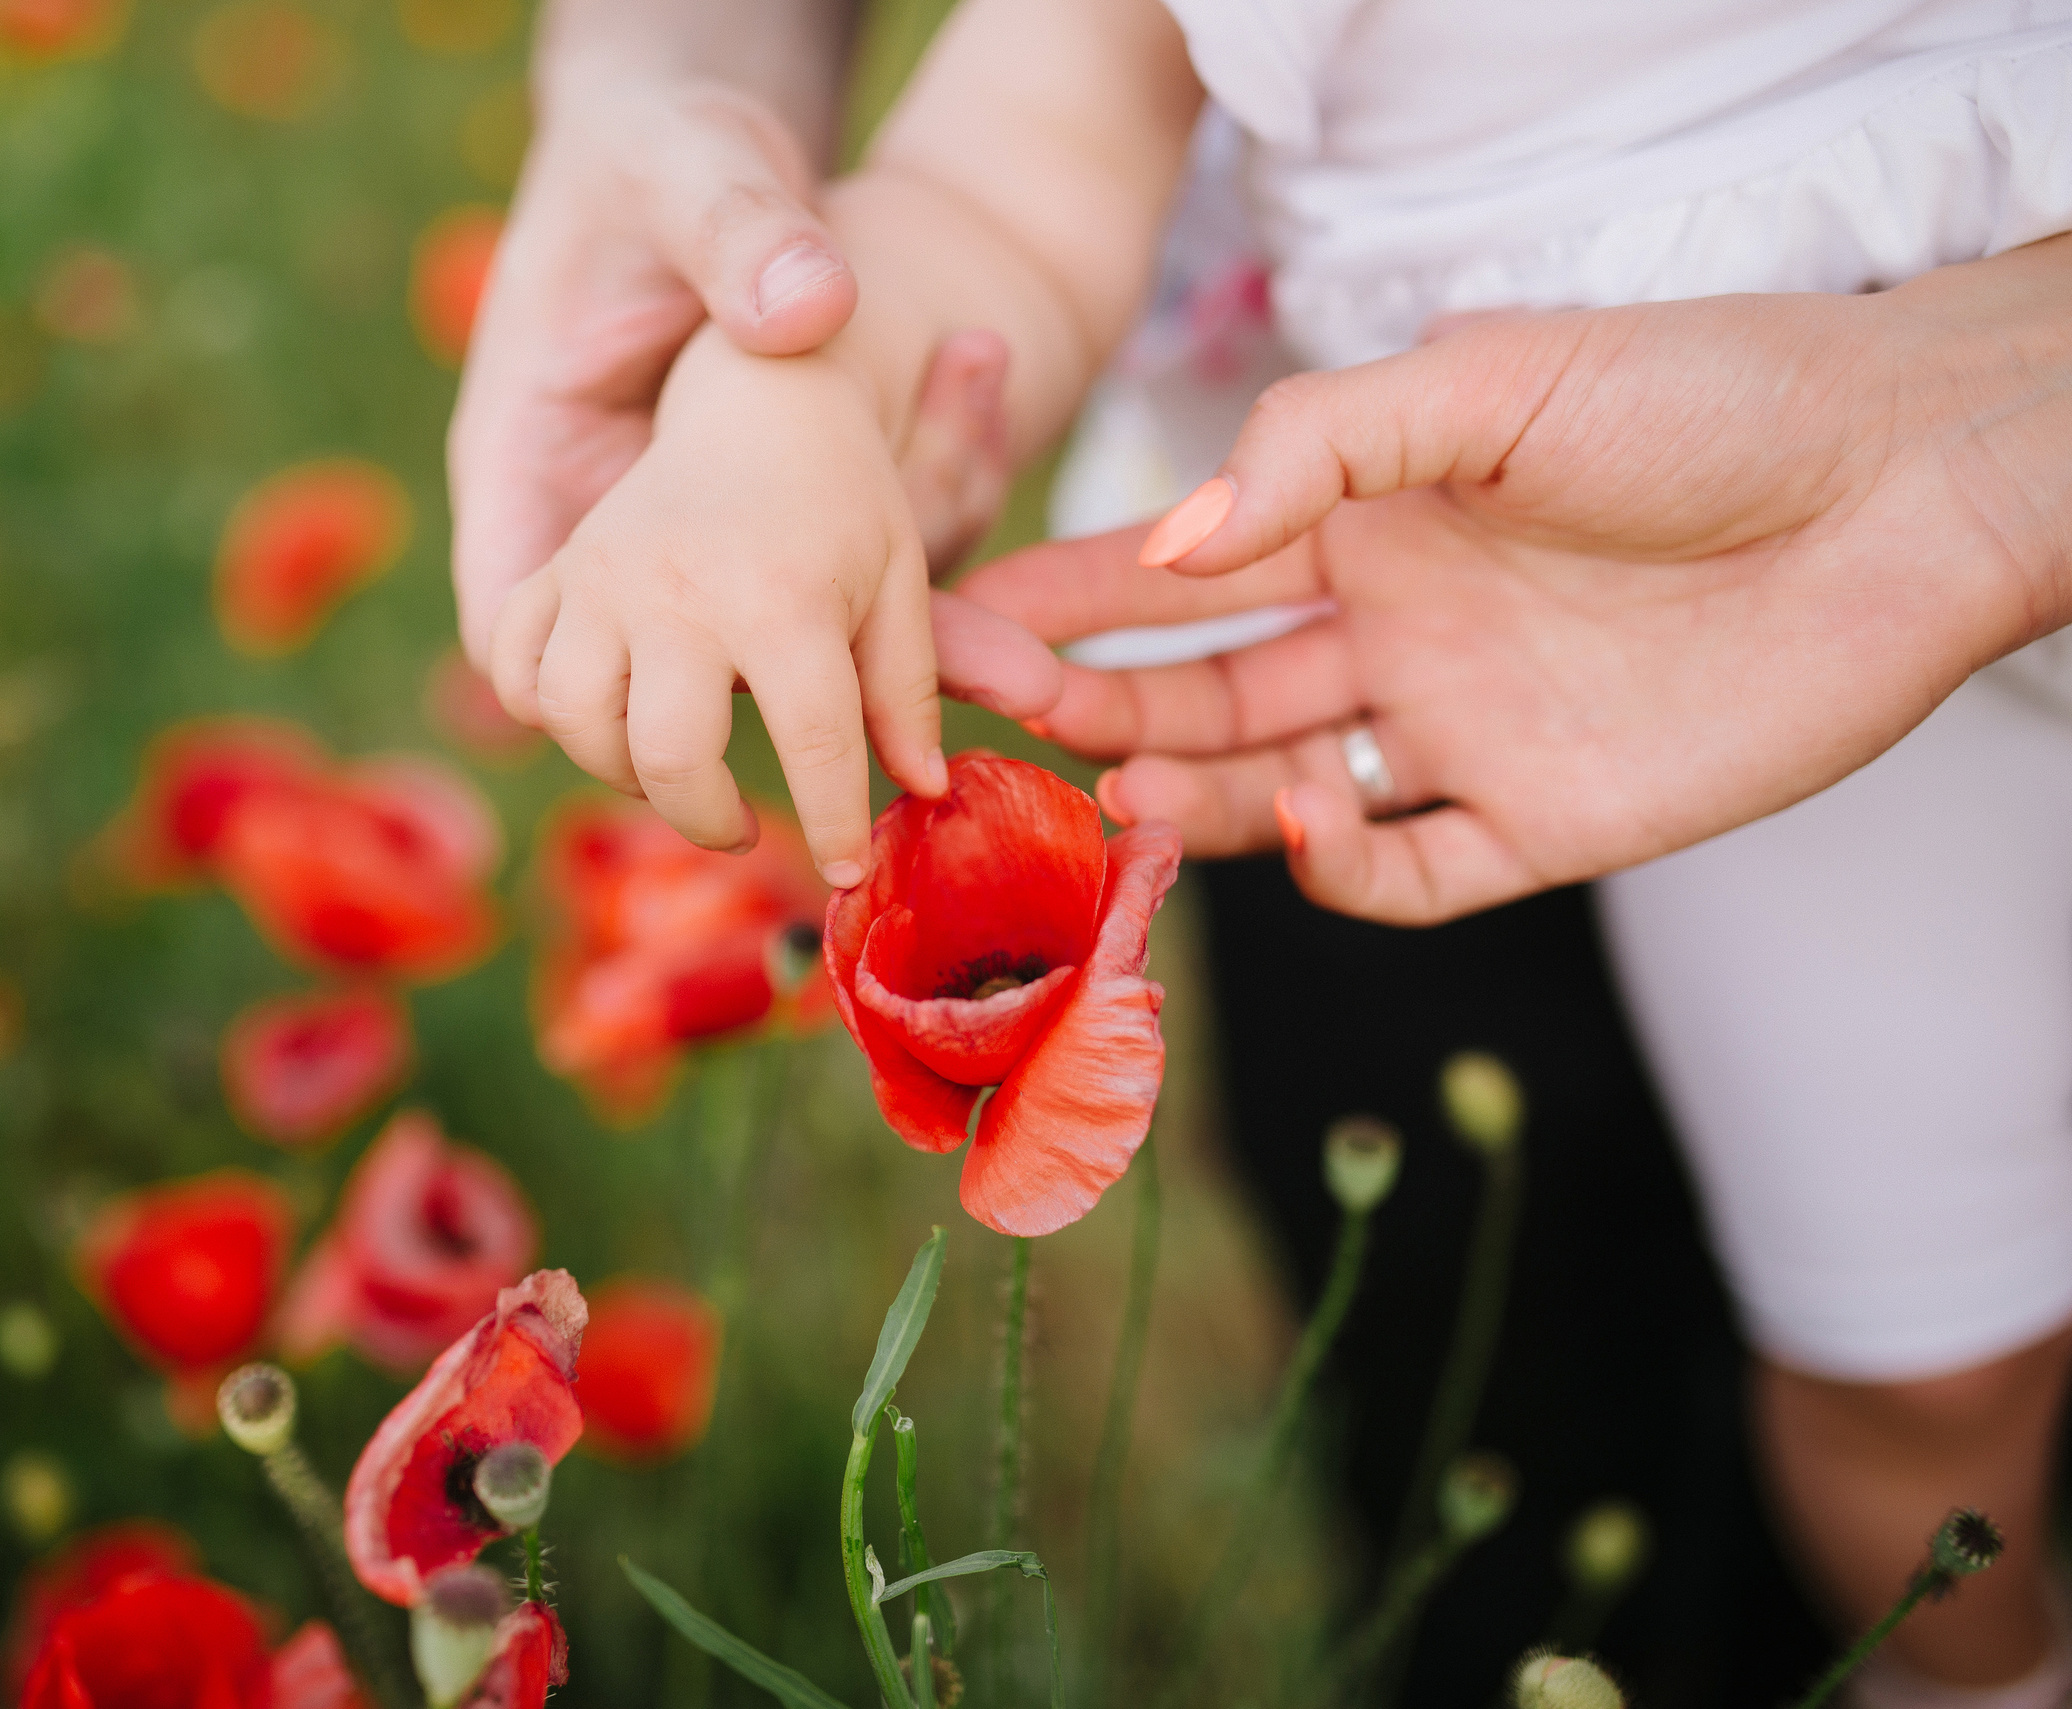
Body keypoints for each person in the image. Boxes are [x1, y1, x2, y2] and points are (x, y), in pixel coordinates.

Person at [452, 1, 2072, 1701]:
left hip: (1981, 359)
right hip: (1667, 619)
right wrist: (788, 420)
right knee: (1927, 1358)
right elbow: (1006, 187)